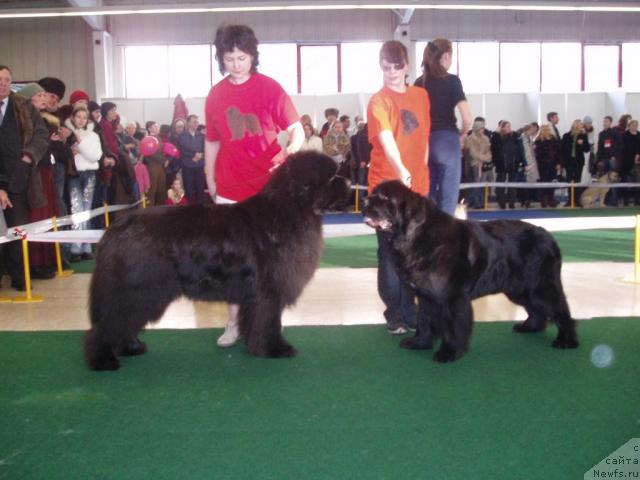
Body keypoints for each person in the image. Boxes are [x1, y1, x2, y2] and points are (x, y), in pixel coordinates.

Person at [204, 24, 303, 347]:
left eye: (242, 57)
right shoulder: (216, 95)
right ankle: (233, 323)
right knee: (232, 262)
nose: (236, 63)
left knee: (270, 264)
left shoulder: (271, 88)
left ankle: (268, 322)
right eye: (230, 57)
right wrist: (210, 179)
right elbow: (212, 142)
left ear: (252, 57)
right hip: (230, 191)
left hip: (268, 193)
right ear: (222, 58)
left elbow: (296, 129)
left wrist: (291, 149)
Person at [367, 40, 430, 335]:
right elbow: (386, 138)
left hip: (417, 188)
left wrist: (421, 172)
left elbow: (424, 138)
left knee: (414, 251)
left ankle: (411, 310)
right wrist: (402, 168)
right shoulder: (378, 101)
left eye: (396, 66)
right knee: (390, 252)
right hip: (386, 188)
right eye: (385, 66)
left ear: (406, 65)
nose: (391, 72)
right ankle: (396, 313)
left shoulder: (421, 95)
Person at [0, 65, 50, 290]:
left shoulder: (23, 106)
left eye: (7, 79)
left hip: (18, 178)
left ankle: (20, 276)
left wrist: (29, 157)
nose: (3, 83)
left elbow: (41, 134)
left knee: (17, 229)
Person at [414, 38, 472, 215]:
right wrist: (462, 135)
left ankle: (425, 237)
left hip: (424, 142)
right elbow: (468, 119)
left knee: (427, 194)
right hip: (447, 140)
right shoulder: (452, 80)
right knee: (448, 197)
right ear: (446, 56)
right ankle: (445, 239)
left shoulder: (418, 83)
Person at [65, 106, 102, 261]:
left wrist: (80, 145)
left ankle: (85, 247)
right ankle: (76, 247)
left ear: (87, 120)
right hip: (74, 175)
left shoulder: (93, 136)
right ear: (73, 118)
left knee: (86, 211)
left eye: (84, 117)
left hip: (89, 175)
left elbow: (96, 156)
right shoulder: (67, 134)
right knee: (76, 210)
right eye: (78, 117)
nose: (81, 120)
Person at [491, 120, 524, 209]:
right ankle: (501, 202)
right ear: (502, 128)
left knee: (512, 184)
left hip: (513, 163)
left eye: (510, 126)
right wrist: (496, 132)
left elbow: (518, 149)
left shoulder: (514, 136)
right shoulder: (497, 137)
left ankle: (511, 202)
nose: (509, 128)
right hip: (502, 164)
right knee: (501, 184)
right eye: (507, 126)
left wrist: (520, 161)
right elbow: (494, 149)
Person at [177, 114, 206, 204]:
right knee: (188, 188)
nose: (196, 124)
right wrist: (193, 156)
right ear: (188, 123)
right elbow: (182, 149)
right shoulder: (182, 136)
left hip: (200, 165)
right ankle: (189, 209)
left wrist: (201, 155)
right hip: (187, 165)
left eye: (197, 122)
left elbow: (205, 148)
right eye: (194, 122)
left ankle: (201, 208)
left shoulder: (201, 136)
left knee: (200, 188)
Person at [561, 119, 590, 206]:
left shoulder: (583, 136)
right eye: (581, 125)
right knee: (569, 181)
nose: (582, 127)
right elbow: (563, 149)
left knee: (577, 181)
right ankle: (570, 200)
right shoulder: (566, 136)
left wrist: (582, 143)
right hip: (569, 162)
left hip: (578, 162)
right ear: (576, 126)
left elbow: (587, 149)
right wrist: (563, 163)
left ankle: (577, 200)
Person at [463, 119, 491, 209]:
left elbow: (489, 153)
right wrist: (483, 158)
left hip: (484, 165)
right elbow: (473, 153)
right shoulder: (470, 138)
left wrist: (485, 159)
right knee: (476, 184)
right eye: (480, 128)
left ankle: (482, 202)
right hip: (474, 165)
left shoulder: (486, 139)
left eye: (483, 128)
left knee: (483, 185)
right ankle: (476, 202)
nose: (482, 130)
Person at [534, 124, 561, 208]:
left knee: (552, 182)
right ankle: (544, 200)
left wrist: (558, 163)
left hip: (553, 165)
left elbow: (558, 152)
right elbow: (537, 155)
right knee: (543, 182)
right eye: (547, 129)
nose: (549, 130)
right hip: (543, 165)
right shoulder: (538, 141)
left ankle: (551, 200)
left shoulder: (553, 139)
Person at [621, 119, 640, 206]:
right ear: (629, 125)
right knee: (626, 181)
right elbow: (623, 148)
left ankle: (637, 200)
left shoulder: (639, 135)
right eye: (633, 124)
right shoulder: (625, 135)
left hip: (637, 162)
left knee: (637, 181)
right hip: (626, 161)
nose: (635, 126)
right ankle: (626, 200)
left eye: (636, 125)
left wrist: (637, 154)